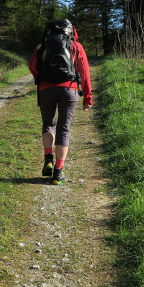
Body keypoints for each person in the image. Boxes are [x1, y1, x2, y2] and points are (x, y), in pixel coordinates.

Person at [28, 19, 92, 185]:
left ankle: (48, 158)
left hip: (46, 89)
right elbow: (84, 71)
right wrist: (87, 96)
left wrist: (41, 80)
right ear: (70, 31)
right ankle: (58, 172)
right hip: (69, 89)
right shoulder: (75, 45)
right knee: (64, 129)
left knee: (48, 124)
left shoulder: (42, 44)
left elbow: (32, 65)